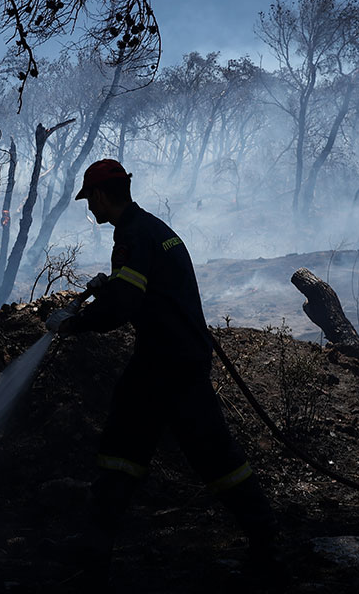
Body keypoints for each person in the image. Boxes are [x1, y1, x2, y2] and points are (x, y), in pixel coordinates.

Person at [46, 158, 281, 587]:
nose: (89, 208)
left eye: (89, 200)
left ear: (100, 195)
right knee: (195, 450)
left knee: (135, 446)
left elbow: (123, 308)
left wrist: (72, 323)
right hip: (178, 357)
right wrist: (111, 285)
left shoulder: (132, 236)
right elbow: (140, 290)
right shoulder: (154, 229)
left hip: (165, 362)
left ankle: (94, 555)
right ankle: (267, 538)